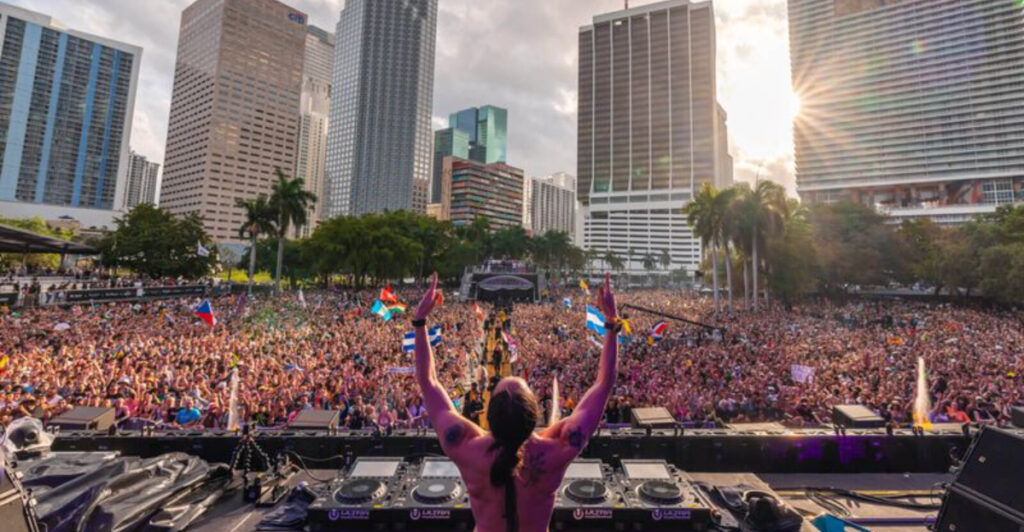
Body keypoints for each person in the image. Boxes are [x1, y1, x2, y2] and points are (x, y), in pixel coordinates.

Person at [412, 273, 619, 532]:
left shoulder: (465, 447)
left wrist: (419, 321)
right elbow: (604, 383)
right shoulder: (558, 450)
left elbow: (428, 381)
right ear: (533, 416)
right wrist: (612, 322)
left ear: (489, 417)